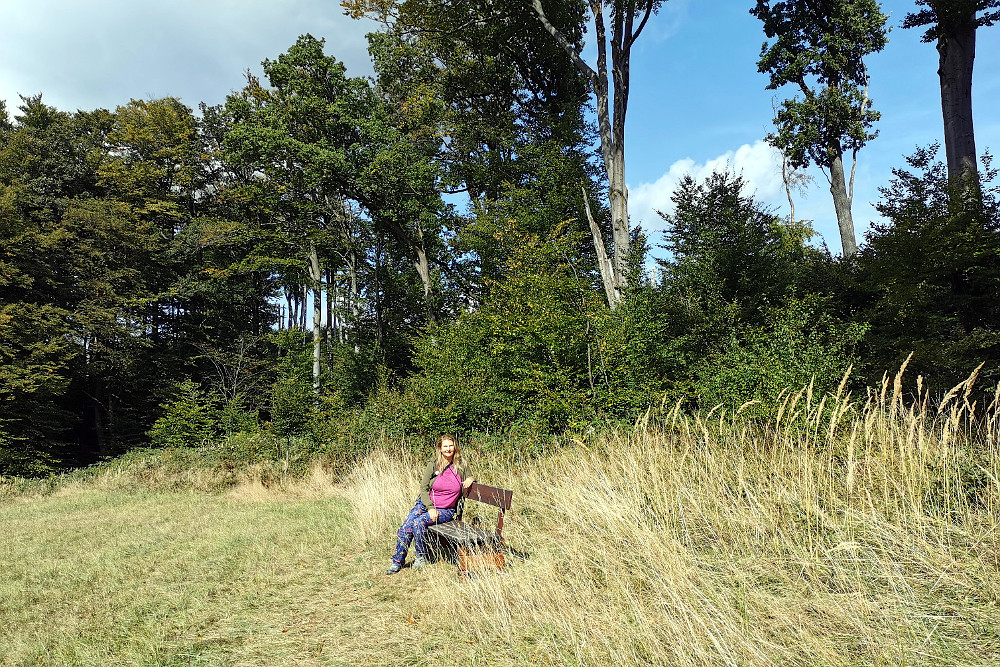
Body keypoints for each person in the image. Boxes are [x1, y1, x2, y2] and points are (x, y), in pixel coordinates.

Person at [386, 434, 474, 575]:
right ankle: (397, 562)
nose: (448, 449)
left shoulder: (461, 464)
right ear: (440, 448)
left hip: (446, 510)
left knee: (419, 523)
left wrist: (470, 478)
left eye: (451, 445)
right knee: (406, 526)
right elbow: (424, 488)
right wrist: (431, 508)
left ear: (455, 447)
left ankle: (421, 557)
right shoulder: (433, 464)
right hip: (426, 505)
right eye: (445, 446)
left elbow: (469, 476)